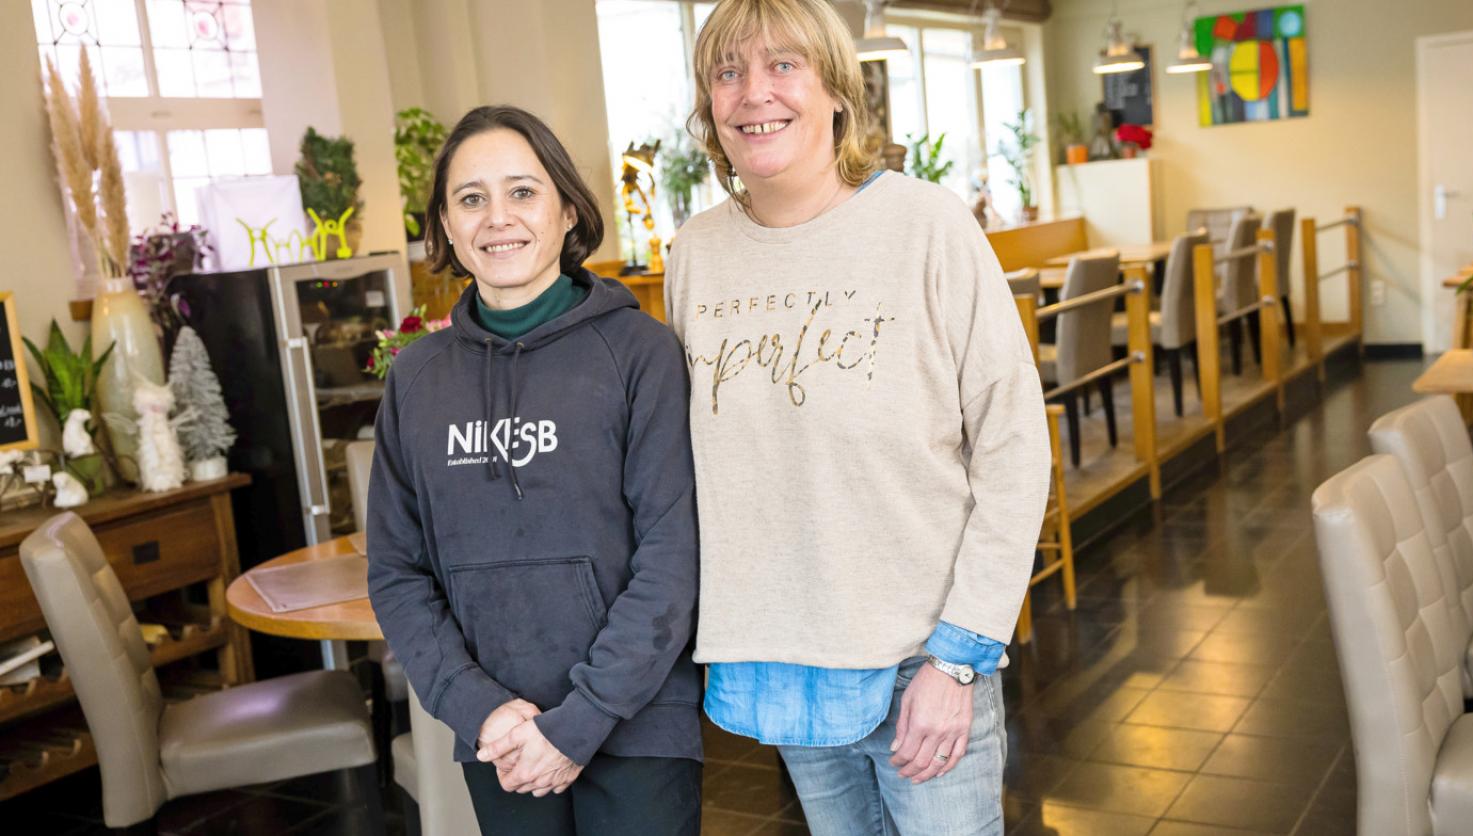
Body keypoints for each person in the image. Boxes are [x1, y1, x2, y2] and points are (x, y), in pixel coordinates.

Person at [664, 1, 1050, 833]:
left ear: (836, 92)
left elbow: (1015, 447)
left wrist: (960, 657)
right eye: (727, 72)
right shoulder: (695, 252)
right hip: (785, 662)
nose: (753, 94)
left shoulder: (926, 225)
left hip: (924, 661)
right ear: (708, 108)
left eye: (783, 66)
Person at [366, 105, 701, 836]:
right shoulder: (416, 378)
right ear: (446, 228)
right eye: (471, 199)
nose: (498, 219)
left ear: (568, 210)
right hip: (500, 731)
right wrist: (475, 704)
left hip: (637, 721)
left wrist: (580, 722)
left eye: (522, 191)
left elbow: (673, 560)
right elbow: (395, 569)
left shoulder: (641, 354)